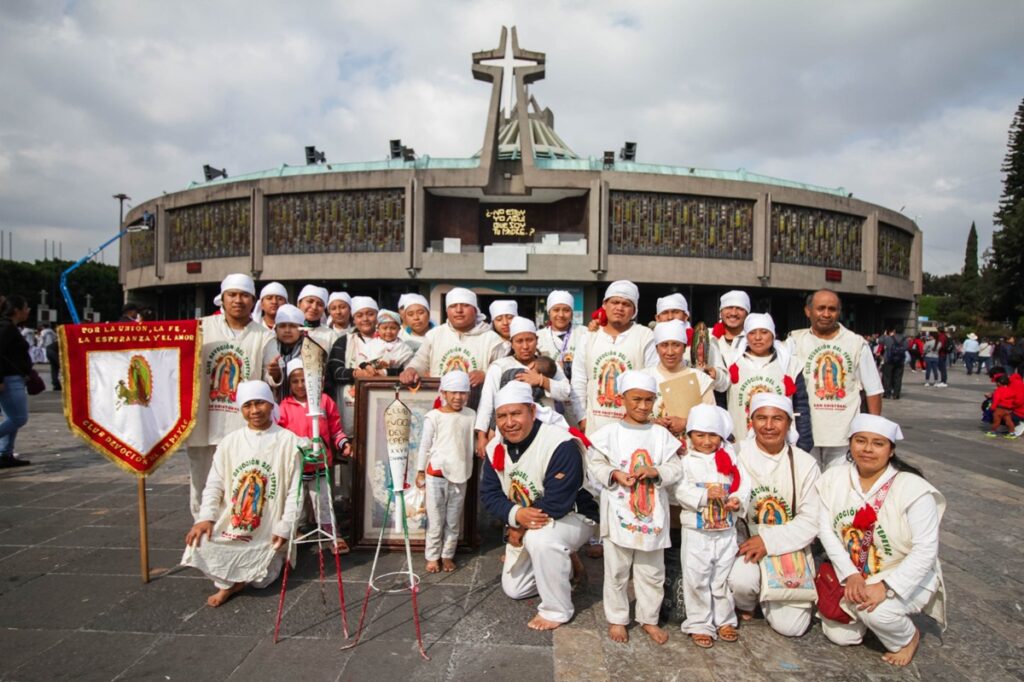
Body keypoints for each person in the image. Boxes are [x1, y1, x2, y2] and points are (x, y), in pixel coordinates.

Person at [817, 414, 946, 668]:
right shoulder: (833, 478)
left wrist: (887, 586)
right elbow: (825, 531)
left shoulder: (913, 488)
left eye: (878, 443)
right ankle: (875, 619)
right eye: (860, 441)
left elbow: (926, 549)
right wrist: (850, 575)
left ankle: (907, 637)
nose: (867, 449)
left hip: (901, 572)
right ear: (850, 444)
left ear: (891, 450)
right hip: (856, 571)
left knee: (876, 612)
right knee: (841, 636)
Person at [480, 381, 594, 631]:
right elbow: (488, 493)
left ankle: (557, 609)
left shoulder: (560, 443)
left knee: (541, 541)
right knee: (515, 589)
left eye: (516, 413)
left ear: (532, 411)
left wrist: (519, 528)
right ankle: (564, 569)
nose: (509, 422)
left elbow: (558, 501)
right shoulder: (495, 446)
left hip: (572, 516)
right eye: (502, 416)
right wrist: (516, 514)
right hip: (527, 518)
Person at [182, 381, 303, 608]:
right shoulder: (230, 442)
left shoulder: (288, 441)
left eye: (260, 403)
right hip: (235, 524)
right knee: (198, 543)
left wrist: (286, 526)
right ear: (241, 409)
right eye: (248, 405)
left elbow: (295, 491)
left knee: (262, 581)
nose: (255, 411)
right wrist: (205, 518)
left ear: (270, 404)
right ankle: (230, 583)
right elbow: (214, 485)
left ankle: (246, 575)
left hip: (267, 527)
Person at [587, 371, 684, 645]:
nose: (643, 406)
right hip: (619, 513)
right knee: (617, 570)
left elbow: (676, 468)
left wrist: (657, 470)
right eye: (636, 399)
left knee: (652, 571)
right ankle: (617, 618)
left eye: (649, 400)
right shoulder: (609, 434)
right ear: (622, 399)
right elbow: (595, 464)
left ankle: (649, 618)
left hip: (652, 514)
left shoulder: (661, 435)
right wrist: (614, 474)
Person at [728, 394, 820, 637]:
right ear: (751, 422)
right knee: (741, 582)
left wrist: (769, 541)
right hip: (746, 543)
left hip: (788, 546)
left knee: (792, 627)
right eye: (762, 418)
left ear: (789, 423)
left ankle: (769, 595)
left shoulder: (806, 464)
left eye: (777, 419)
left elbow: (811, 519)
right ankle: (749, 603)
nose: (769, 426)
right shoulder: (736, 456)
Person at [185, 275, 277, 520]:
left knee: (240, 481)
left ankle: (235, 532)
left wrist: (275, 373)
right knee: (202, 483)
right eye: (232, 295)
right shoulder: (200, 328)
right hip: (205, 420)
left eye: (245, 295)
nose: (238, 300)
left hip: (242, 423)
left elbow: (271, 375)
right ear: (222, 299)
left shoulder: (263, 336)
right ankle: (203, 531)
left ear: (253, 300)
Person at [674, 404, 750, 648]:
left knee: (721, 578)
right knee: (696, 577)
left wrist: (737, 500)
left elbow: (743, 486)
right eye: (700, 435)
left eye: (713, 435)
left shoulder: (731, 459)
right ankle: (699, 623)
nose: (707, 441)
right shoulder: (685, 461)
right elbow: (677, 490)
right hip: (697, 532)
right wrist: (705, 496)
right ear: (690, 435)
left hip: (725, 530)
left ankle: (724, 619)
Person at [786, 290, 882, 469]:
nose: (826, 314)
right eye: (820, 308)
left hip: (843, 434)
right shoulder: (795, 341)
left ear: (839, 312)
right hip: (806, 433)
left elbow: (873, 389)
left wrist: (873, 429)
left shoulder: (856, 343)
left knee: (840, 488)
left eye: (832, 309)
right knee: (808, 487)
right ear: (808, 311)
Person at [276, 359, 351, 550]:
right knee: (295, 503)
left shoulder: (324, 401)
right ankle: (289, 536)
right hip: (297, 466)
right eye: (295, 381)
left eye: (305, 380)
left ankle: (332, 534)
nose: (301, 385)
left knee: (323, 501)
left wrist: (343, 444)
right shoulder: (284, 407)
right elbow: (279, 436)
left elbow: (335, 429)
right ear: (289, 383)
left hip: (320, 463)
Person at [475, 317, 572, 456]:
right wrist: (482, 436)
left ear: (537, 340)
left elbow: (566, 392)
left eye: (530, 340)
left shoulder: (550, 364)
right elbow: (487, 403)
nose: (525, 346)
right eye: (519, 341)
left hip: (545, 431)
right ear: (511, 343)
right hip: (509, 430)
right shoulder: (500, 366)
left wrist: (541, 380)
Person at [571, 280, 657, 435]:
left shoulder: (645, 336)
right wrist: (581, 417)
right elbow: (579, 379)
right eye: (615, 302)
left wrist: (649, 417)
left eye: (626, 304)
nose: (619, 308)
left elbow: (653, 379)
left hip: (633, 426)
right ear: (604, 305)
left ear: (634, 310)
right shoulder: (589, 337)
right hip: (594, 425)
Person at [415, 370, 476, 573]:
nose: (458, 397)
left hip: (461, 473)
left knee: (453, 518)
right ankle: (432, 556)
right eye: (453, 392)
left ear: (468, 394)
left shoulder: (471, 415)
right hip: (436, 474)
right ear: (444, 393)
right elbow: (424, 446)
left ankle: (447, 555)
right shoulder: (433, 416)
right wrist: (420, 470)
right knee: (435, 518)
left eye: (463, 393)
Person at [399, 287, 503, 394]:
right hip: (439, 402)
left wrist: (485, 374)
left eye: (465, 305)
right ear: (447, 311)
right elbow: (420, 361)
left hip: (478, 402)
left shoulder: (492, 339)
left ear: (475, 310)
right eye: (453, 306)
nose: (459, 310)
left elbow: (503, 369)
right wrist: (411, 370)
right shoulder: (434, 335)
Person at [723, 313, 797, 438]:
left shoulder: (790, 363)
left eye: (764, 332)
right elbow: (721, 400)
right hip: (739, 437)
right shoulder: (730, 360)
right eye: (752, 333)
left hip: (778, 438)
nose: (757, 337)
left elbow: (801, 404)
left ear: (773, 335)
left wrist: (803, 439)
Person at [644, 320, 715, 440]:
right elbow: (631, 416)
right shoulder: (644, 377)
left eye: (676, 345)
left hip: (690, 452)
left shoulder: (701, 379)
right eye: (664, 345)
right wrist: (652, 422)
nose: (670, 352)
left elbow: (712, 419)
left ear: (684, 348)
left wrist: (686, 423)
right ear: (656, 348)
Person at [0, 296, 33, 468]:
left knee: (11, 417)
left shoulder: (11, 327)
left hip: (15, 377)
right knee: (19, 418)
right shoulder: (6, 327)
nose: (28, 311)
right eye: (26, 307)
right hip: (9, 379)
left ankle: (5, 453)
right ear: (17, 310)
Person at [264, 304, 305, 399]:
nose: (287, 330)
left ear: (302, 330)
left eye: (293, 326)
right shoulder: (268, 347)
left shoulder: (310, 351)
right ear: (275, 329)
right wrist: (275, 375)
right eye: (282, 326)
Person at [360, 309, 414, 374]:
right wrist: (367, 366)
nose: (388, 331)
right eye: (384, 328)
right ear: (378, 328)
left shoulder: (404, 348)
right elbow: (361, 359)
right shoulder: (371, 345)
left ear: (399, 329)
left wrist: (386, 372)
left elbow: (408, 368)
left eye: (393, 328)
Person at [296, 285, 337, 351]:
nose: (314, 307)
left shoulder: (330, 335)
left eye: (320, 304)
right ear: (298, 303)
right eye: (310, 301)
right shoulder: (286, 330)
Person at [879, 327, 907, 400]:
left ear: (894, 331)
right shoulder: (905, 340)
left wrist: (884, 335)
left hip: (889, 360)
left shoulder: (888, 338)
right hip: (900, 361)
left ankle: (887, 393)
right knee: (898, 378)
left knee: (887, 377)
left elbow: (880, 341)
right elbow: (907, 348)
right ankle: (896, 394)